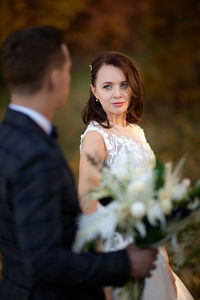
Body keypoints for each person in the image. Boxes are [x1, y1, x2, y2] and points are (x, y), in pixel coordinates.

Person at [0, 26, 158, 300]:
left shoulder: (7, 138)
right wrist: (124, 265)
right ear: (54, 79)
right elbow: (44, 261)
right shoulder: (37, 156)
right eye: (67, 70)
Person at [78, 51, 194, 300]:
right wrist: (103, 270)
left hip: (149, 247)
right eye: (107, 86)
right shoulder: (96, 138)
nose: (117, 94)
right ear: (94, 91)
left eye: (123, 85)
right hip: (119, 252)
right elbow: (87, 202)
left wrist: (159, 246)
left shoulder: (135, 132)